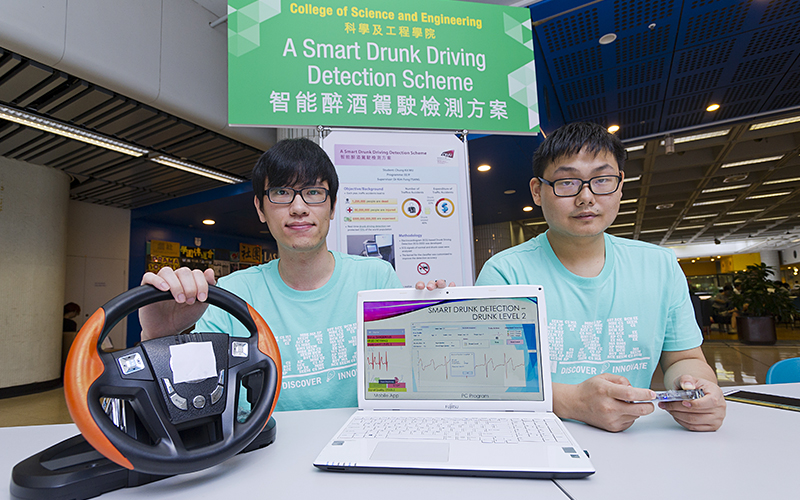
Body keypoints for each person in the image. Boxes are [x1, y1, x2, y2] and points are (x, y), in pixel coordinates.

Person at [140, 138, 447, 412]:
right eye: (281, 192)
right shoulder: (232, 294)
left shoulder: (375, 278)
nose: (298, 208)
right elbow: (191, 402)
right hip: (262, 450)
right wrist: (160, 337)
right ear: (260, 208)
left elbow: (409, 380)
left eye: (313, 192)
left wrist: (436, 327)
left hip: (362, 445)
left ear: (332, 206)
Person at [475, 122, 726, 432]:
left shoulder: (659, 266)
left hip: (637, 439)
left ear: (620, 185)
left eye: (602, 180)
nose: (586, 197)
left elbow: (683, 358)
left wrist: (694, 387)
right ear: (538, 191)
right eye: (567, 182)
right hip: (537, 436)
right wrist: (573, 401)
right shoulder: (506, 273)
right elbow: (490, 376)